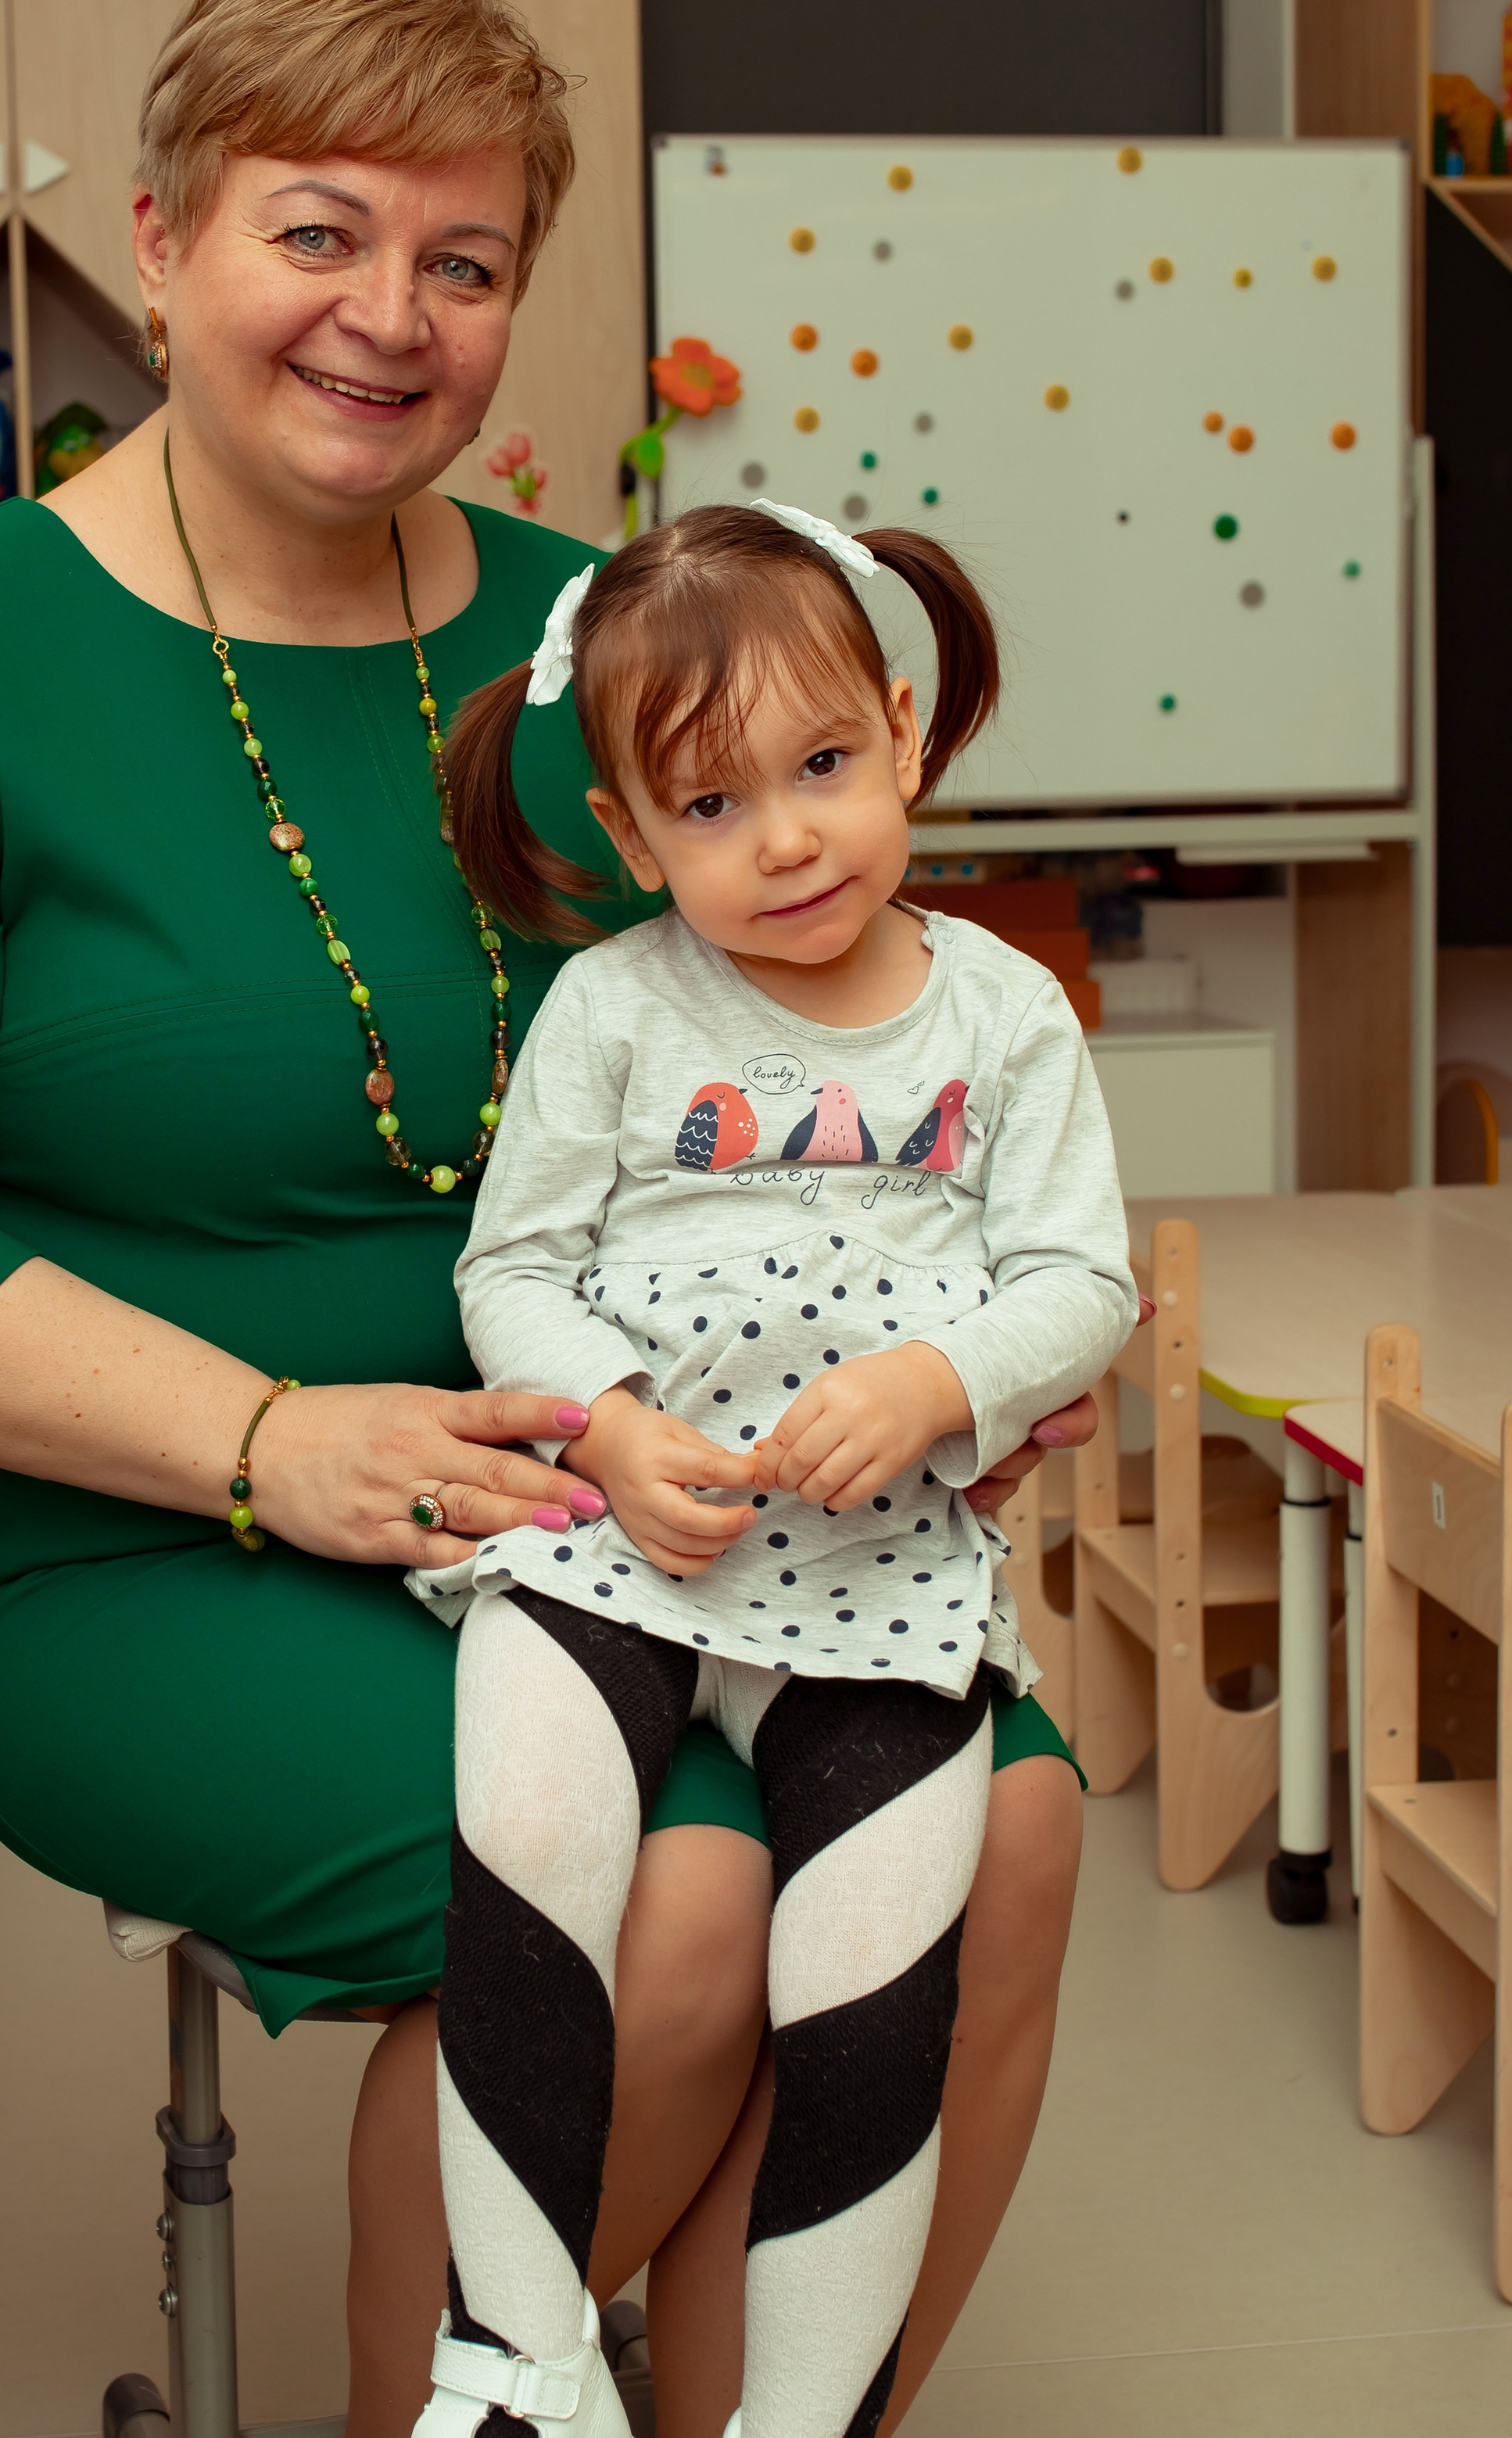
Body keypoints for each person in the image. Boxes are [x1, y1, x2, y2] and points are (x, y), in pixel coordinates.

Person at [0, 0, 1099, 2438]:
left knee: (1007, 1837)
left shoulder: (616, 656)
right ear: (158, 238)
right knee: (673, 1906)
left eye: (461, 262)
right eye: (315, 230)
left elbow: (874, 1032)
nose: (388, 315)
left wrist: (970, 1332)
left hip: (647, 1487)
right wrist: (272, 1436)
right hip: (134, 1523)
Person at [402, 502, 1135, 2438]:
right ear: (634, 843)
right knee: (531, 1872)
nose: (787, 838)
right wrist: (608, 1428)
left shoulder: (1002, 1014)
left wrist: (941, 1379)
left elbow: (1079, 1280)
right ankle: (511, 2360)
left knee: (873, 1992)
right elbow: (515, 1271)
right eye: (710, 809)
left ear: (900, 734)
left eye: (820, 768)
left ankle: (795, 2418)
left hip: (880, 1580)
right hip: (612, 1555)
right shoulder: (616, 1004)